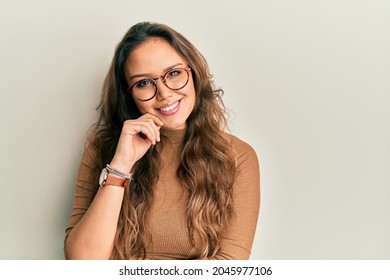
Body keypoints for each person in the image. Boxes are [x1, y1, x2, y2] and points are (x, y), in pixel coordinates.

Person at [64, 21, 260, 260]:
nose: (164, 93)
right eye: (144, 83)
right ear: (129, 95)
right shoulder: (104, 149)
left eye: (174, 73)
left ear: (194, 72)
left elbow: (228, 267)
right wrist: (121, 165)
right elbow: (83, 263)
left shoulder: (237, 156)